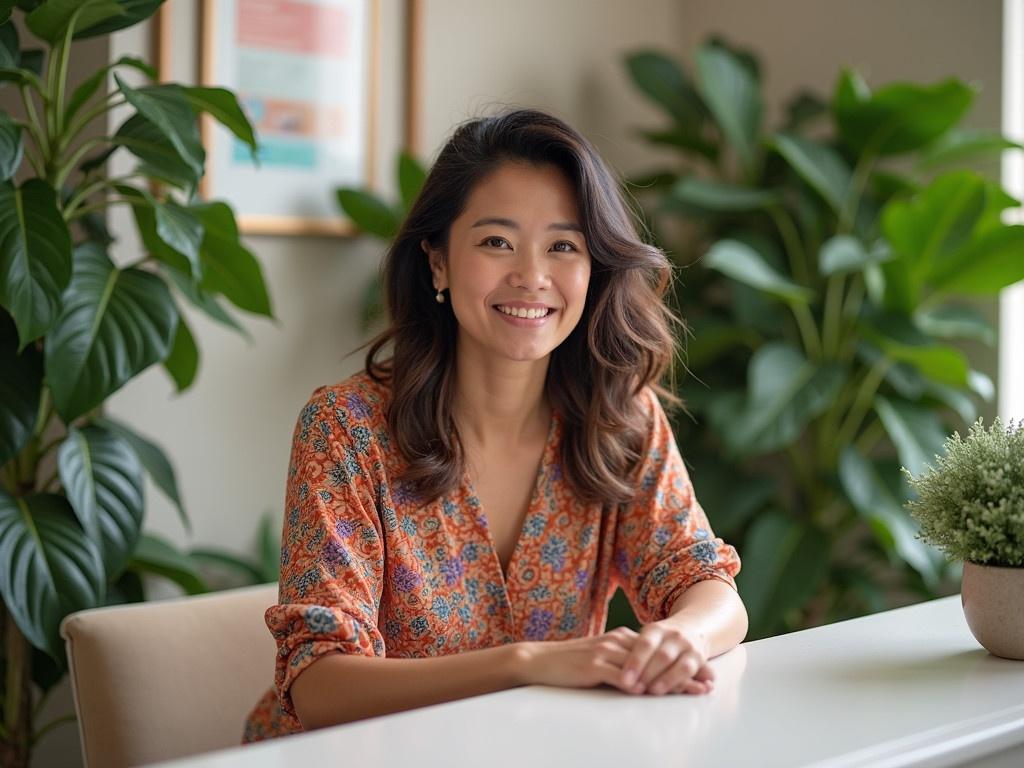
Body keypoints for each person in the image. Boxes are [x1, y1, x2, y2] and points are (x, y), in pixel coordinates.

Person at [241, 108, 746, 743]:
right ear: (438, 263)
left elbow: (704, 583)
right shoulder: (346, 430)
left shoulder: (620, 420)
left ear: (595, 270)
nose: (532, 276)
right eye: (496, 242)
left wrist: (679, 636)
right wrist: (525, 664)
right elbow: (319, 687)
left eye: (564, 246)